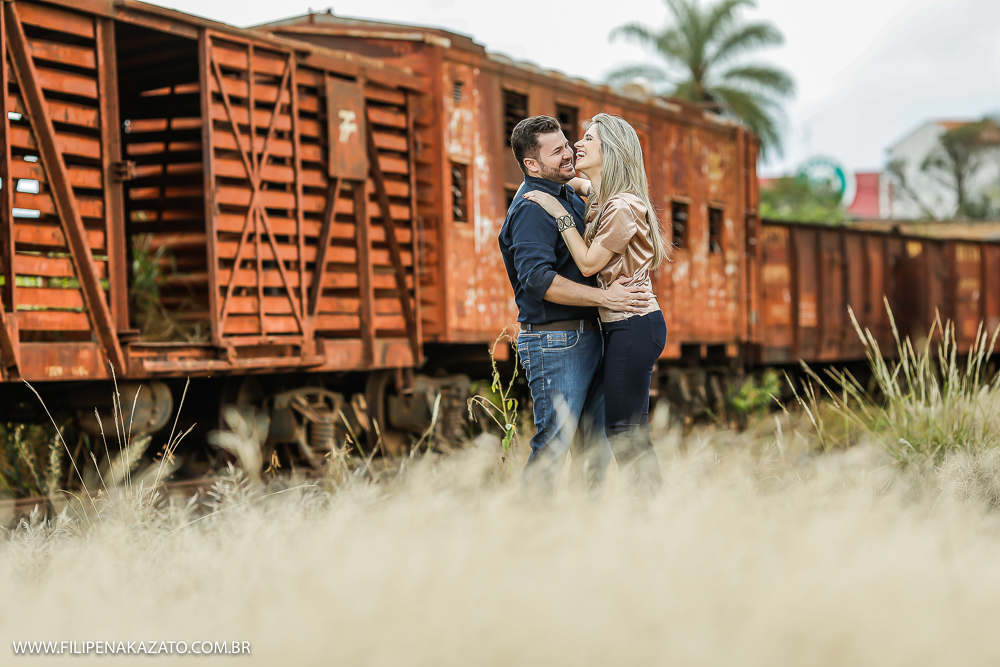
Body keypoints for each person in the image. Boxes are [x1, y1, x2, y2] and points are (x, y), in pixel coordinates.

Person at [498, 115, 652, 494]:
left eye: (569, 144)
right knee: (554, 443)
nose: (568, 153)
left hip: (591, 336)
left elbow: (599, 190)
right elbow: (538, 280)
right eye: (557, 151)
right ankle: (532, 530)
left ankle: (584, 533)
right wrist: (604, 297)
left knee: (594, 446)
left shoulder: (567, 191)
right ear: (532, 164)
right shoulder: (532, 207)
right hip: (555, 342)